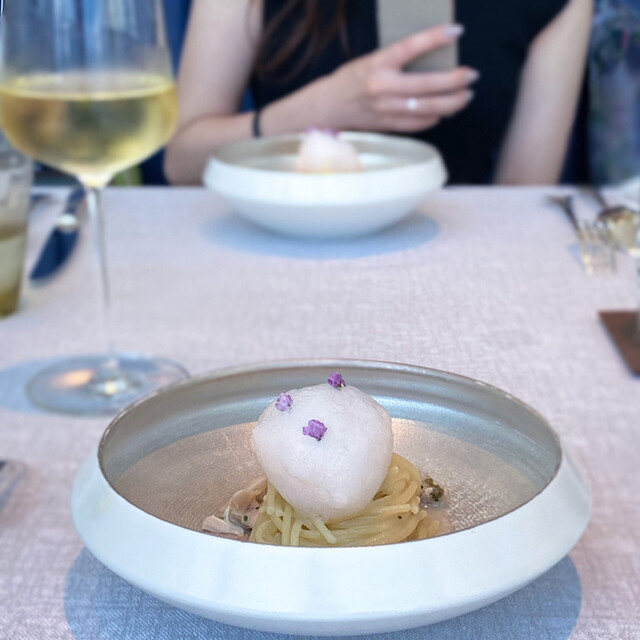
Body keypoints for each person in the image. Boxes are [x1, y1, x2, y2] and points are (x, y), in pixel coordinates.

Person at [164, 0, 593, 186]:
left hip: (451, 260)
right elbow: (182, 162)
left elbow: (521, 196)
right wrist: (322, 108)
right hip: (280, 246)